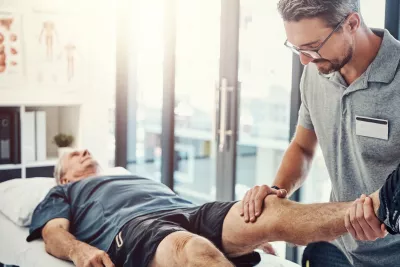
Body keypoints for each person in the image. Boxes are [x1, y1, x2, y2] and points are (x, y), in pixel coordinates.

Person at [241, 0, 400, 266]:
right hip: (336, 247)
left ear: (351, 23)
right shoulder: (316, 72)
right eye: (296, 48)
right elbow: (303, 147)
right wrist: (277, 192)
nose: (305, 60)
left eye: (312, 47)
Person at [28, 149, 359, 267]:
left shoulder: (127, 176)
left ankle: (371, 209)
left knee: (270, 209)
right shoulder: (66, 192)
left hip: (191, 210)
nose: (84, 150)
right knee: (191, 248)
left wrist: (246, 237)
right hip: (136, 226)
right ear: (63, 177)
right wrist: (79, 252)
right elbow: (53, 233)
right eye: (74, 155)